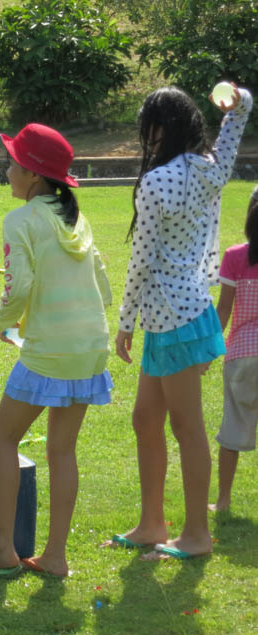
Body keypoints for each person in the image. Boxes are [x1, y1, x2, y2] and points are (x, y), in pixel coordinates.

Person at [107, 83, 253, 560]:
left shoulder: (157, 181)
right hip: (180, 313)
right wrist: (238, 102)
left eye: (148, 128)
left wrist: (125, 321)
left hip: (172, 318)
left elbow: (142, 261)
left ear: (159, 129)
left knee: (186, 428)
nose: (145, 138)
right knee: (145, 420)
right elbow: (235, 130)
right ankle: (152, 524)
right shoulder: (209, 170)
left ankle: (196, 536)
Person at [0, 124, 113, 579]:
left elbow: (19, 289)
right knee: (63, 450)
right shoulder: (75, 218)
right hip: (91, 346)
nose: (8, 170)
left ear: (33, 174)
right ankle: (55, 556)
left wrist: (2, 321)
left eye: (13, 163)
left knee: (2, 438)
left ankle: (4, 549)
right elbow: (103, 285)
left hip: (49, 351)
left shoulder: (20, 220)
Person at [210, 185, 258, 512]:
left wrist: (207, 351)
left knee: (233, 431)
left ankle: (223, 501)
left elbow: (224, 310)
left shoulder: (235, 256)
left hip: (243, 355)